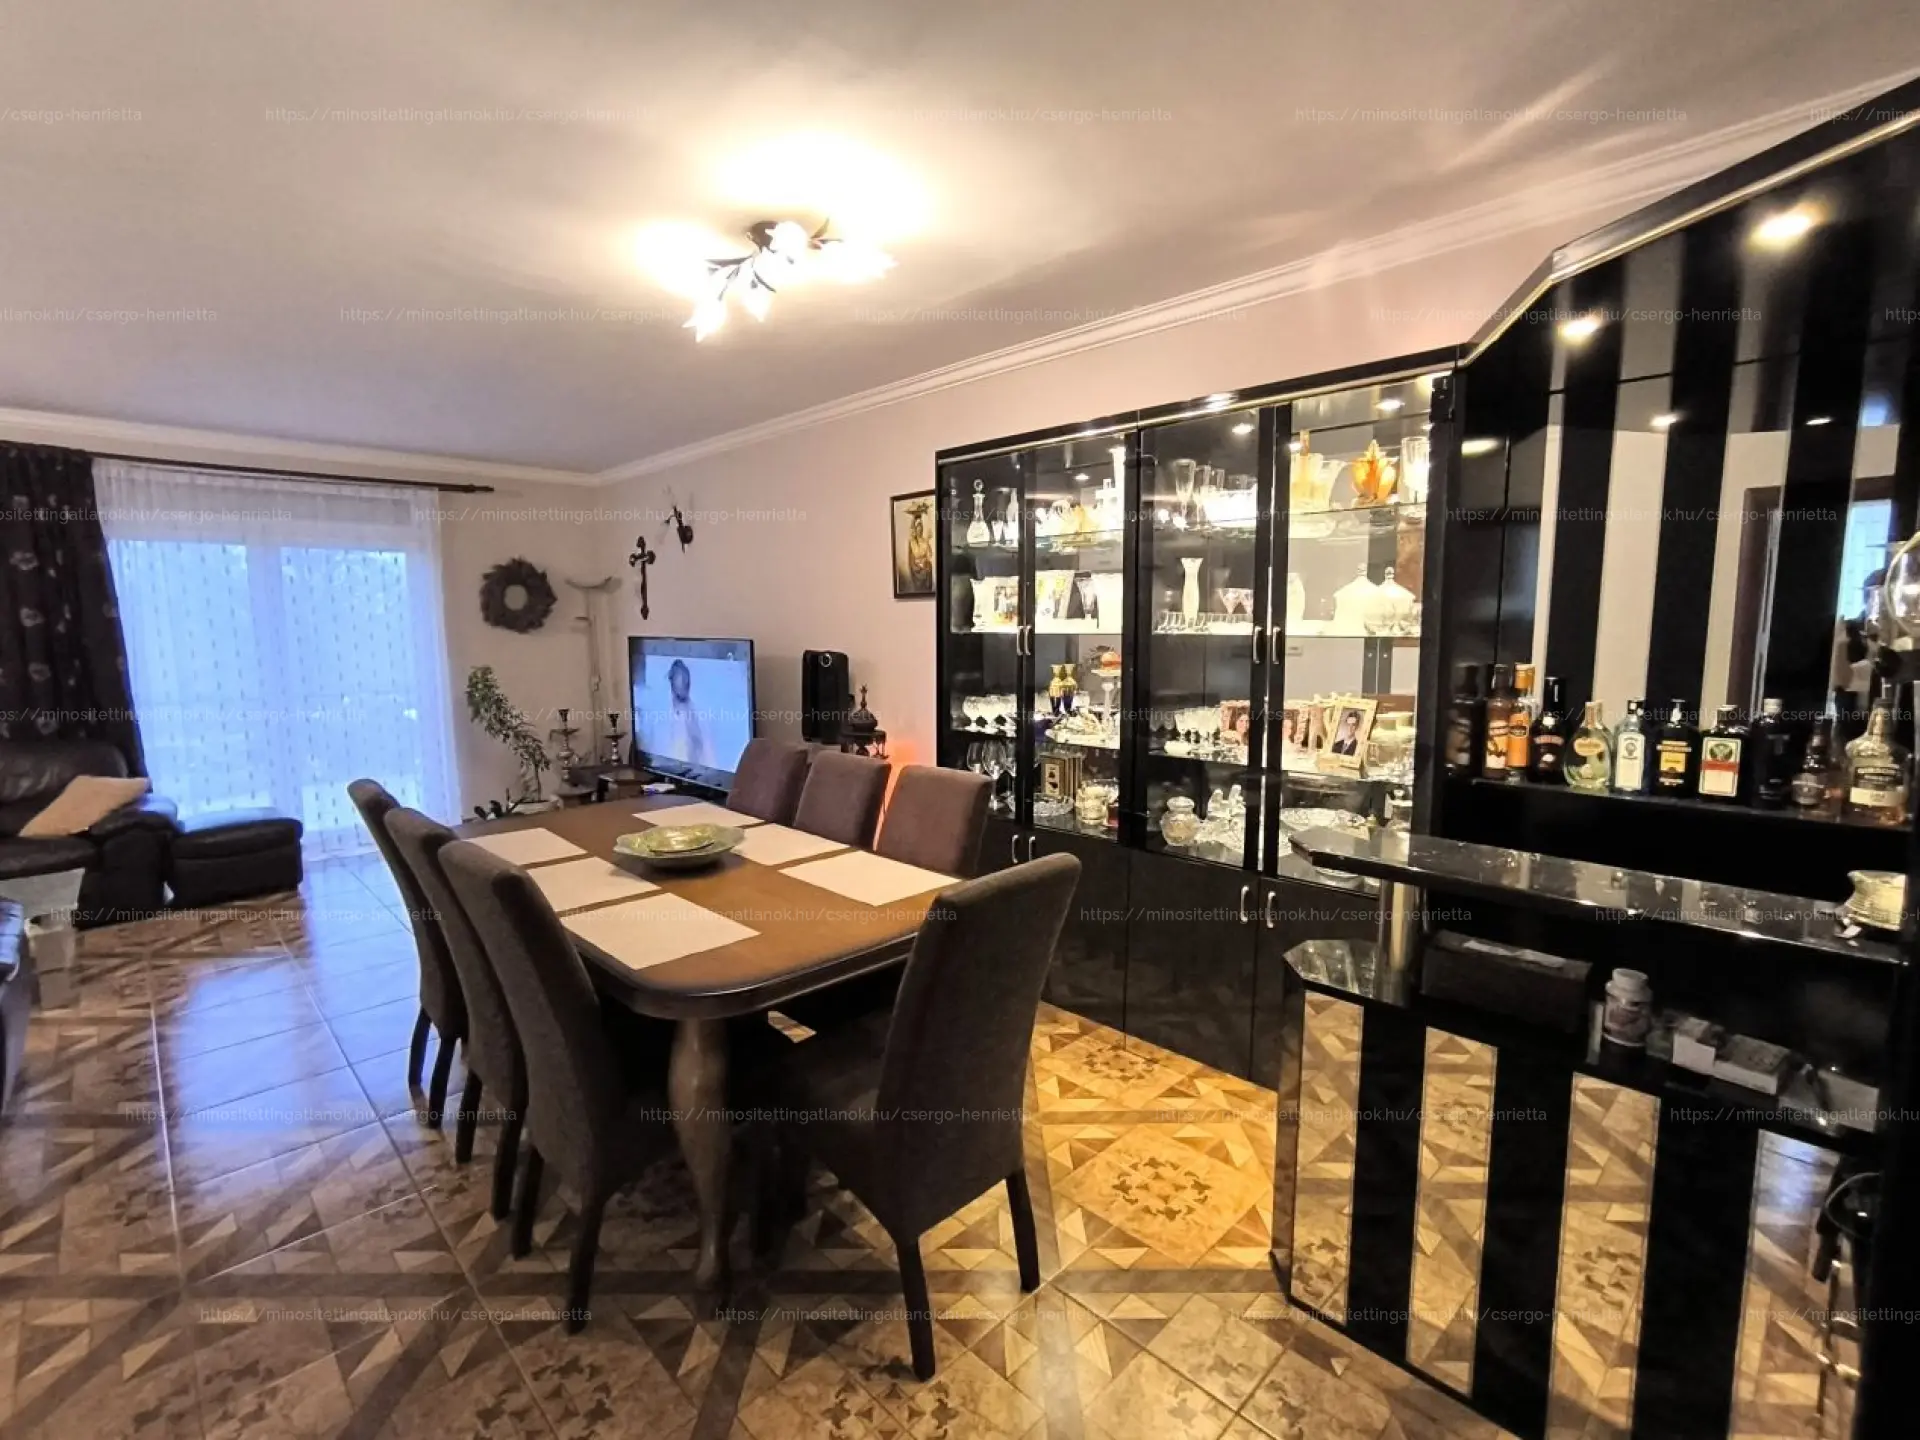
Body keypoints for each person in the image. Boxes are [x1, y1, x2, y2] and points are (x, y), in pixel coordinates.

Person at [665, 658, 713, 768]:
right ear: (672, 683)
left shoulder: (697, 715)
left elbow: (705, 750)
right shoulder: (664, 715)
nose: (682, 684)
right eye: (679, 680)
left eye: (685, 680)